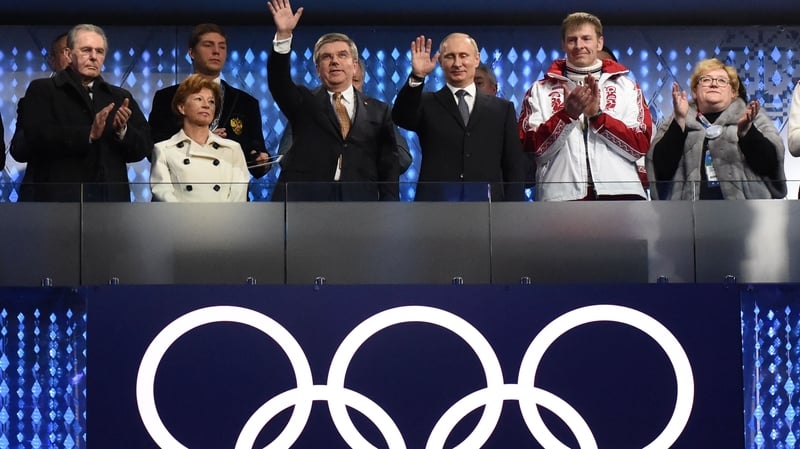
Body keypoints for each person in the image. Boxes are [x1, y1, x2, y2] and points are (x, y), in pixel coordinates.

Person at [267, 0, 400, 201]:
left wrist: (389, 207)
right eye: (327, 57)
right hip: (307, 202)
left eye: (342, 55)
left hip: (359, 202)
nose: (335, 61)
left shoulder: (379, 111)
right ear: (318, 70)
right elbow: (279, 81)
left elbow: (388, 165)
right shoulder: (303, 102)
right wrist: (284, 36)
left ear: (354, 66)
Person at [518, 12, 652, 201]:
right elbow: (533, 151)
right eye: (572, 40)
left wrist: (598, 116)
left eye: (586, 39)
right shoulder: (540, 89)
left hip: (621, 193)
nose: (579, 45)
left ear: (599, 43)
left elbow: (639, 147)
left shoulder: (627, 86)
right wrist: (566, 116)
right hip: (561, 197)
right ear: (563, 44)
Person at [18, 24, 152, 202]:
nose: (94, 57)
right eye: (86, 50)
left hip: (110, 202)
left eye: (99, 51)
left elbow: (144, 147)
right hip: (58, 201)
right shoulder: (43, 90)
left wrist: (123, 131)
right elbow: (35, 137)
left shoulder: (120, 97)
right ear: (68, 54)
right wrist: (88, 134)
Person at [392, 33, 525, 201]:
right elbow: (401, 117)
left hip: (488, 208)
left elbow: (513, 167)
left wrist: (513, 210)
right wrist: (417, 76)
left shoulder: (502, 109)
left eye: (463, 56)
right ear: (441, 62)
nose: (457, 63)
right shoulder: (426, 103)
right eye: (450, 57)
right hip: (436, 206)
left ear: (476, 59)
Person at [647, 58, 786, 200]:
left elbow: (770, 165)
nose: (714, 84)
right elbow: (661, 170)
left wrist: (747, 133)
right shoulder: (677, 118)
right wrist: (679, 121)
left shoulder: (752, 117)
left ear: (733, 92)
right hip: (690, 211)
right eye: (706, 80)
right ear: (694, 92)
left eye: (721, 80)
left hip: (745, 210)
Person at [148, 23, 270, 180]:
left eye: (222, 47)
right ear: (191, 52)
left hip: (228, 188)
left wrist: (260, 159)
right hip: (180, 186)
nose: (216, 51)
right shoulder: (167, 97)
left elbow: (257, 156)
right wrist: (201, 139)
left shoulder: (246, 102)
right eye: (208, 45)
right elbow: (152, 150)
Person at [276, 57, 413, 175]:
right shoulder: (305, 108)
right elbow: (285, 159)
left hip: (363, 193)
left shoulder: (379, 112)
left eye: (355, 81)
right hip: (316, 193)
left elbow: (403, 159)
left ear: (362, 82)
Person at [150, 74, 249, 202]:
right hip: (181, 215)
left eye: (211, 101)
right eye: (199, 99)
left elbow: (238, 197)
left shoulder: (232, 149)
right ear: (182, 107)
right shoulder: (163, 150)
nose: (206, 105)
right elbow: (163, 194)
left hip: (223, 215)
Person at [9, 32, 70, 165]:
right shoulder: (35, 100)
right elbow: (18, 151)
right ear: (52, 61)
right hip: (47, 175)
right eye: (66, 51)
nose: (72, 58)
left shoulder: (107, 99)